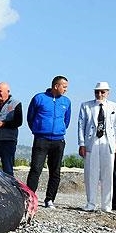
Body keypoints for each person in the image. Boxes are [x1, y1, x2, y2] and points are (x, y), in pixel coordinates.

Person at [26, 76, 72, 208]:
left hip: (58, 141)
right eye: (64, 86)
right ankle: (30, 198)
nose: (66, 89)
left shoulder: (66, 102)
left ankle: (50, 199)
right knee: (35, 169)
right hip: (41, 139)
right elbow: (30, 117)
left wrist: (59, 130)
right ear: (56, 86)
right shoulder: (39, 98)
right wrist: (38, 130)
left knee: (55, 171)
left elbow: (66, 121)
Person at [77, 82, 116, 212]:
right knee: (91, 173)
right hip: (92, 141)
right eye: (97, 92)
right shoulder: (86, 106)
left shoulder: (115, 106)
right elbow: (81, 125)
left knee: (108, 174)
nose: (100, 94)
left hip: (108, 142)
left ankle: (106, 205)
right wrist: (82, 143)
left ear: (107, 92)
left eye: (102, 92)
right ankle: (90, 203)